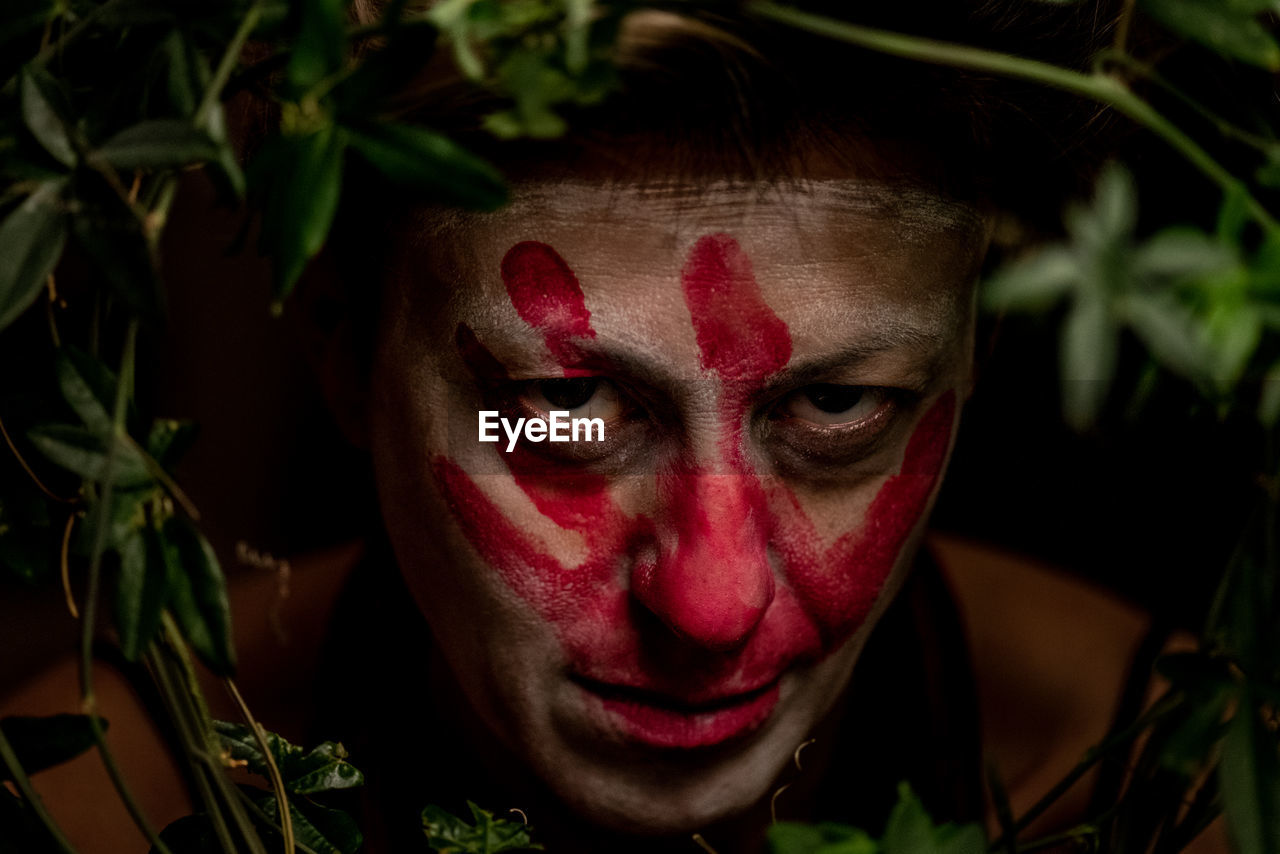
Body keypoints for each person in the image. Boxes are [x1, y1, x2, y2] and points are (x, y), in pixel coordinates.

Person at [0, 3, 1230, 853]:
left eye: (836, 405)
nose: (710, 599)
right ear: (342, 345)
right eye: (557, 406)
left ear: (981, 352)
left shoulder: (1173, 791)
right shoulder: (94, 803)